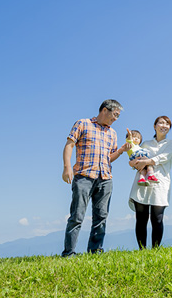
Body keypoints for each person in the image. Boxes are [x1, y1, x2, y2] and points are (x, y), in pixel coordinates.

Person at [61, 99, 131, 257]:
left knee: (101, 216)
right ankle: (69, 253)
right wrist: (67, 167)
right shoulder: (83, 124)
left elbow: (109, 157)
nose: (116, 119)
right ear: (105, 110)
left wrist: (121, 151)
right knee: (77, 216)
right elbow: (69, 144)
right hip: (84, 176)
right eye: (115, 114)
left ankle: (95, 251)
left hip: (105, 178)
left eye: (118, 116)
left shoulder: (112, 133)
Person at [128, 116, 172, 249]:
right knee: (141, 219)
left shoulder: (171, 144)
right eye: (161, 123)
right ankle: (142, 250)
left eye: (167, 124)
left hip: (160, 182)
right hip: (142, 181)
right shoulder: (145, 144)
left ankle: (155, 249)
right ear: (155, 126)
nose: (164, 125)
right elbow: (135, 158)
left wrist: (146, 161)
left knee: (158, 218)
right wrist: (133, 162)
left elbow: (163, 157)